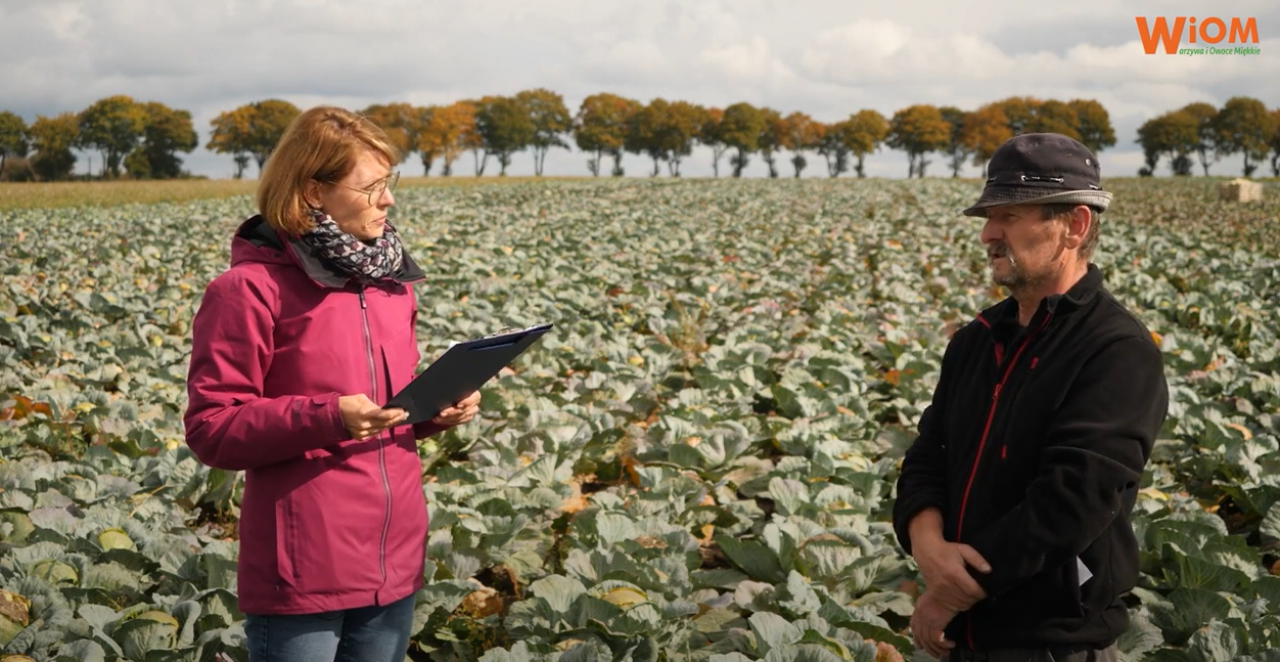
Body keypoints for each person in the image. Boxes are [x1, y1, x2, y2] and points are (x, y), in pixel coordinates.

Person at [183, 105, 482, 662]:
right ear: (314, 192)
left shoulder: (393, 285)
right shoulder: (247, 290)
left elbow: (390, 410)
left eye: (389, 183)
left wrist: (437, 409)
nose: (388, 200)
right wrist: (328, 416)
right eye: (370, 187)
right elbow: (212, 429)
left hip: (393, 561)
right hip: (302, 571)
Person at [891, 133, 1169, 662]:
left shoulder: (1117, 350)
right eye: (988, 217)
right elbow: (928, 454)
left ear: (1076, 226)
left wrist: (950, 593)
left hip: (1050, 645)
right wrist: (926, 546)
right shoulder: (976, 338)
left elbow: (1071, 500)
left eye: (1010, 216)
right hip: (965, 640)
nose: (988, 235)